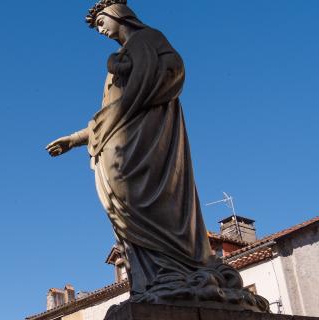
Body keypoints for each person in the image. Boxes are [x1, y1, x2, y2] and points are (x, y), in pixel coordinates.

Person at [46, 0, 268, 311]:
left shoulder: (147, 40)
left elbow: (170, 72)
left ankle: (173, 274)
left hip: (146, 149)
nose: (100, 31)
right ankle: (155, 279)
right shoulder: (122, 58)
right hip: (122, 147)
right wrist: (75, 139)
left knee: (148, 207)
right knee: (126, 217)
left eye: (100, 23)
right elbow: (107, 116)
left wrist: (135, 85)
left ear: (115, 15)